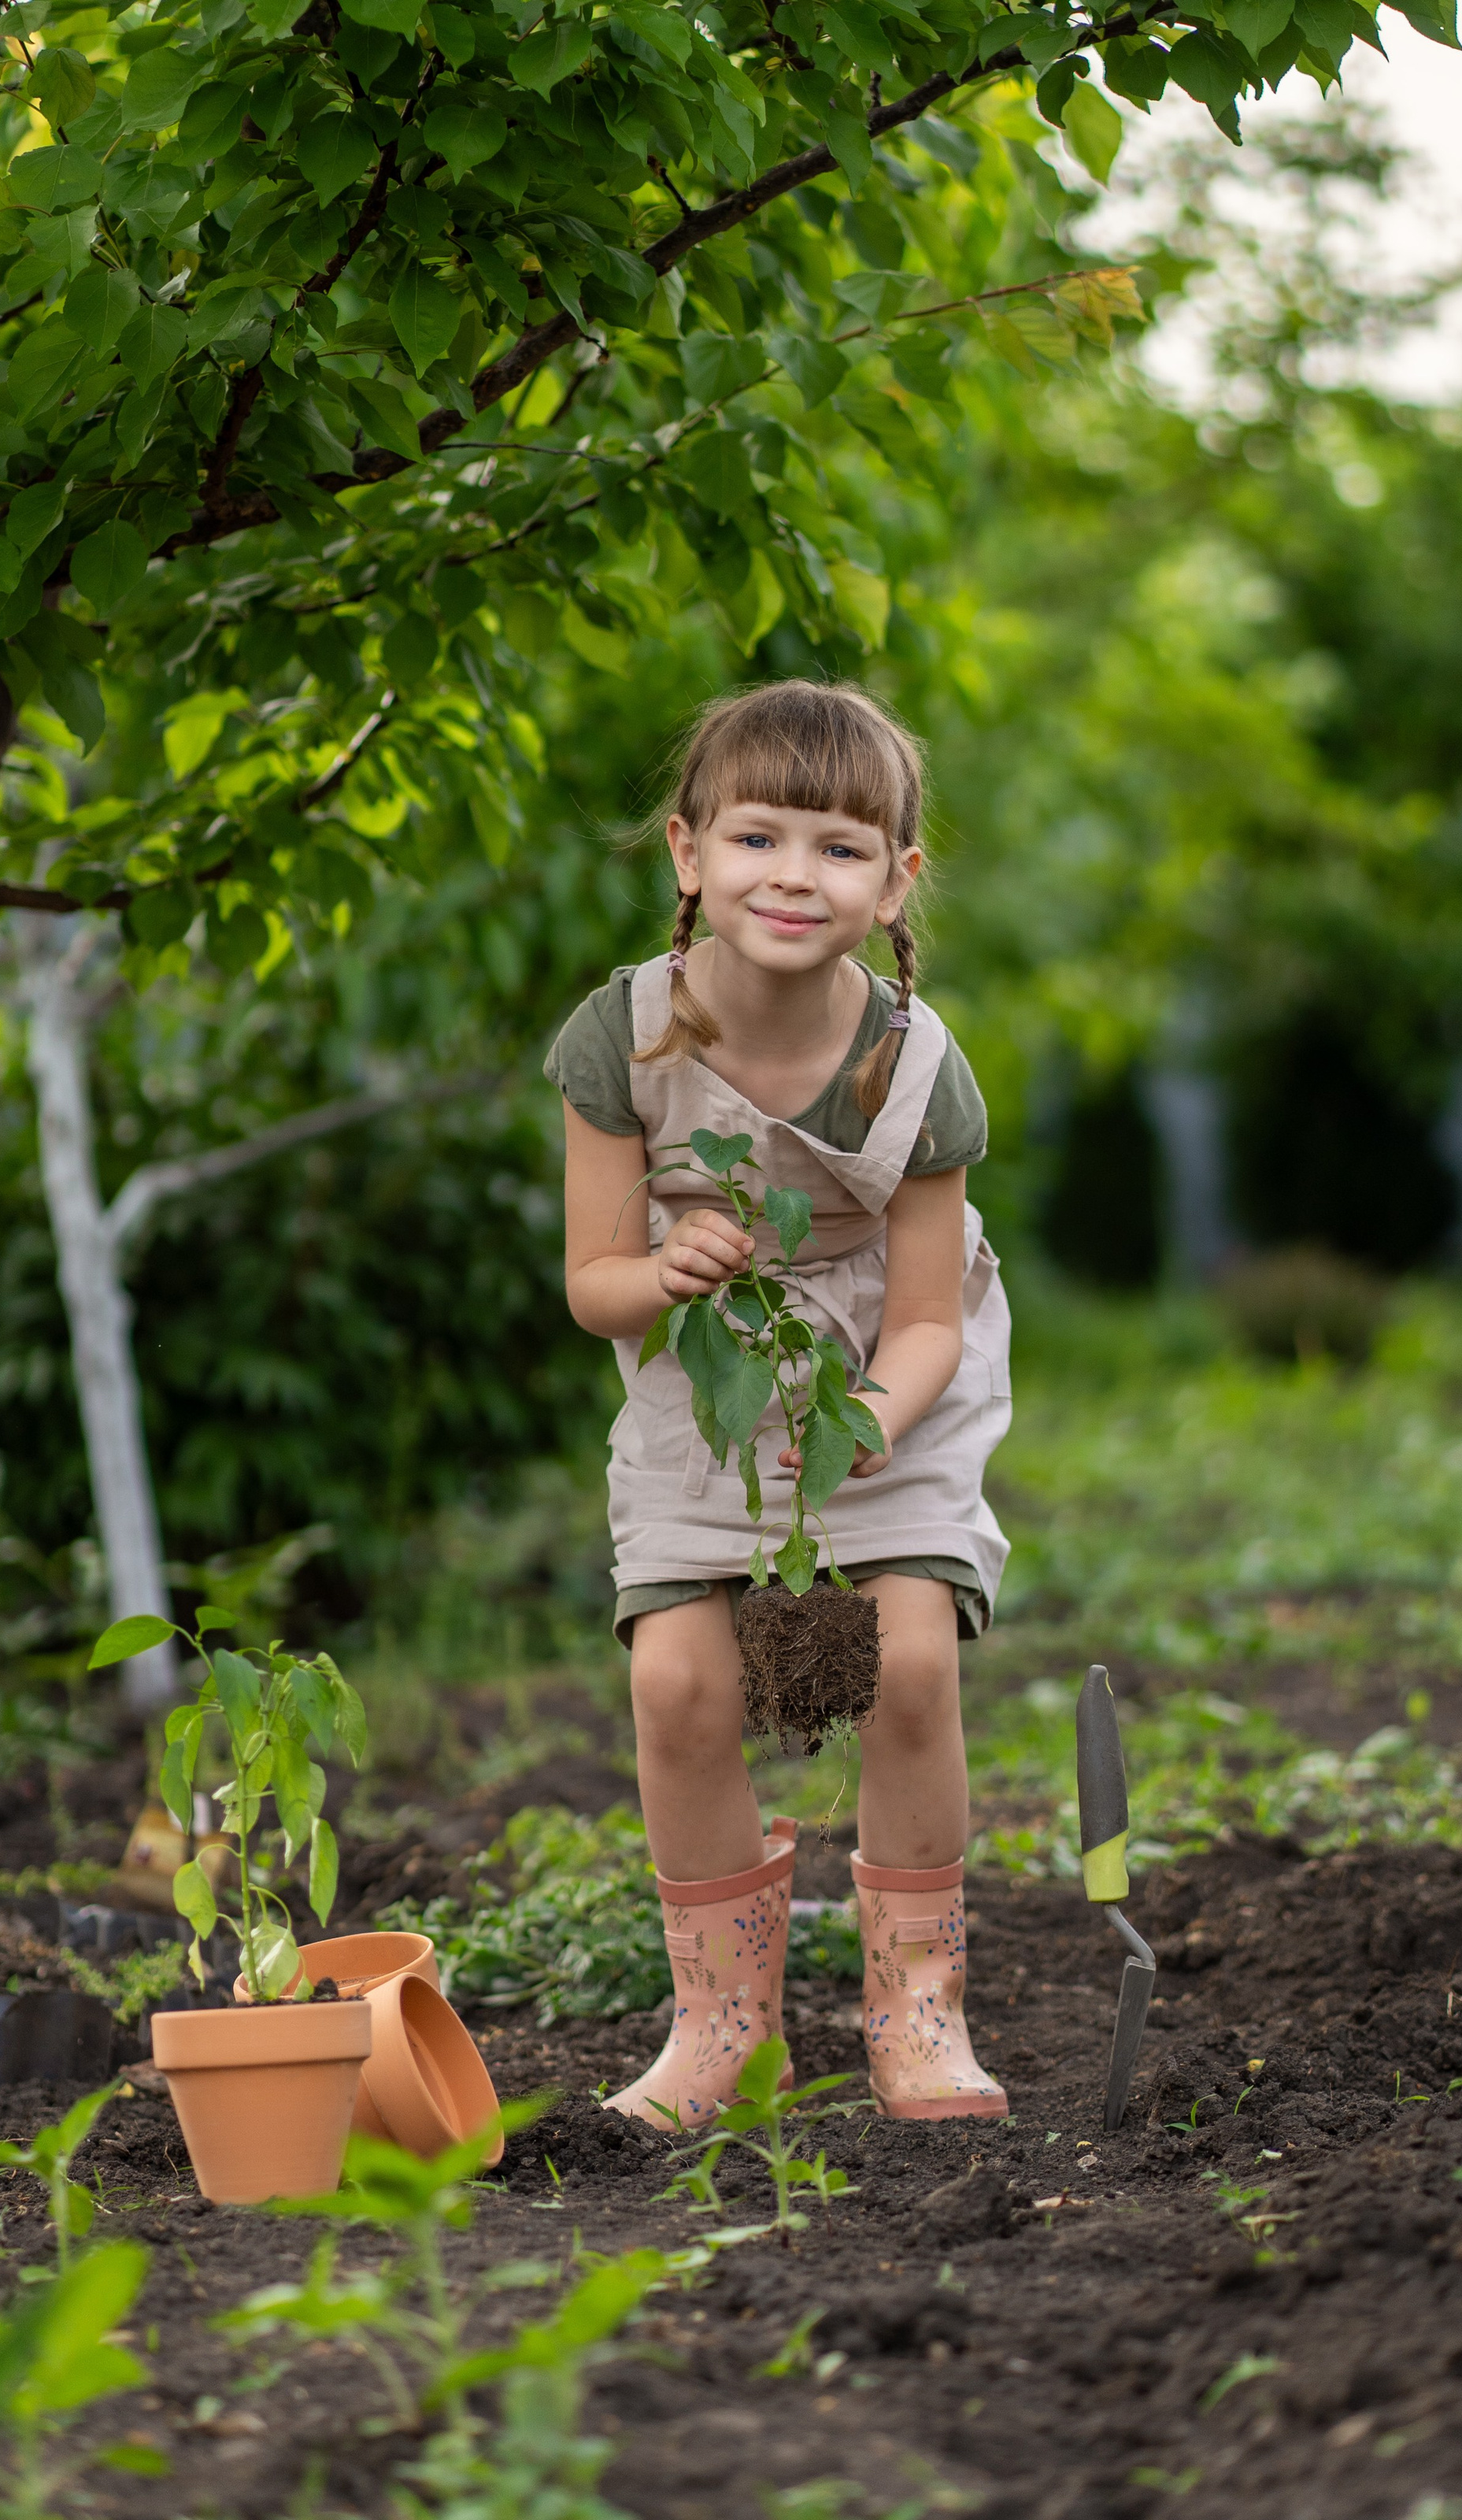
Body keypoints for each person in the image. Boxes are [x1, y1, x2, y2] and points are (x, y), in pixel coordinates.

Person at [546, 679, 1013, 2127]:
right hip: (708, 1376)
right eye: (758, 838)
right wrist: (667, 1270)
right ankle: (726, 2028)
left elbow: (932, 1311)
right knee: (683, 1683)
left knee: (905, 1663)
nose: (794, 876)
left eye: (839, 847)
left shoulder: (917, 1069)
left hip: (886, 1381)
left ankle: (917, 2009)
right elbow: (592, 1284)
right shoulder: (621, 1041)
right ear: (687, 853)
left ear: (896, 883)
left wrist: (866, 1416)